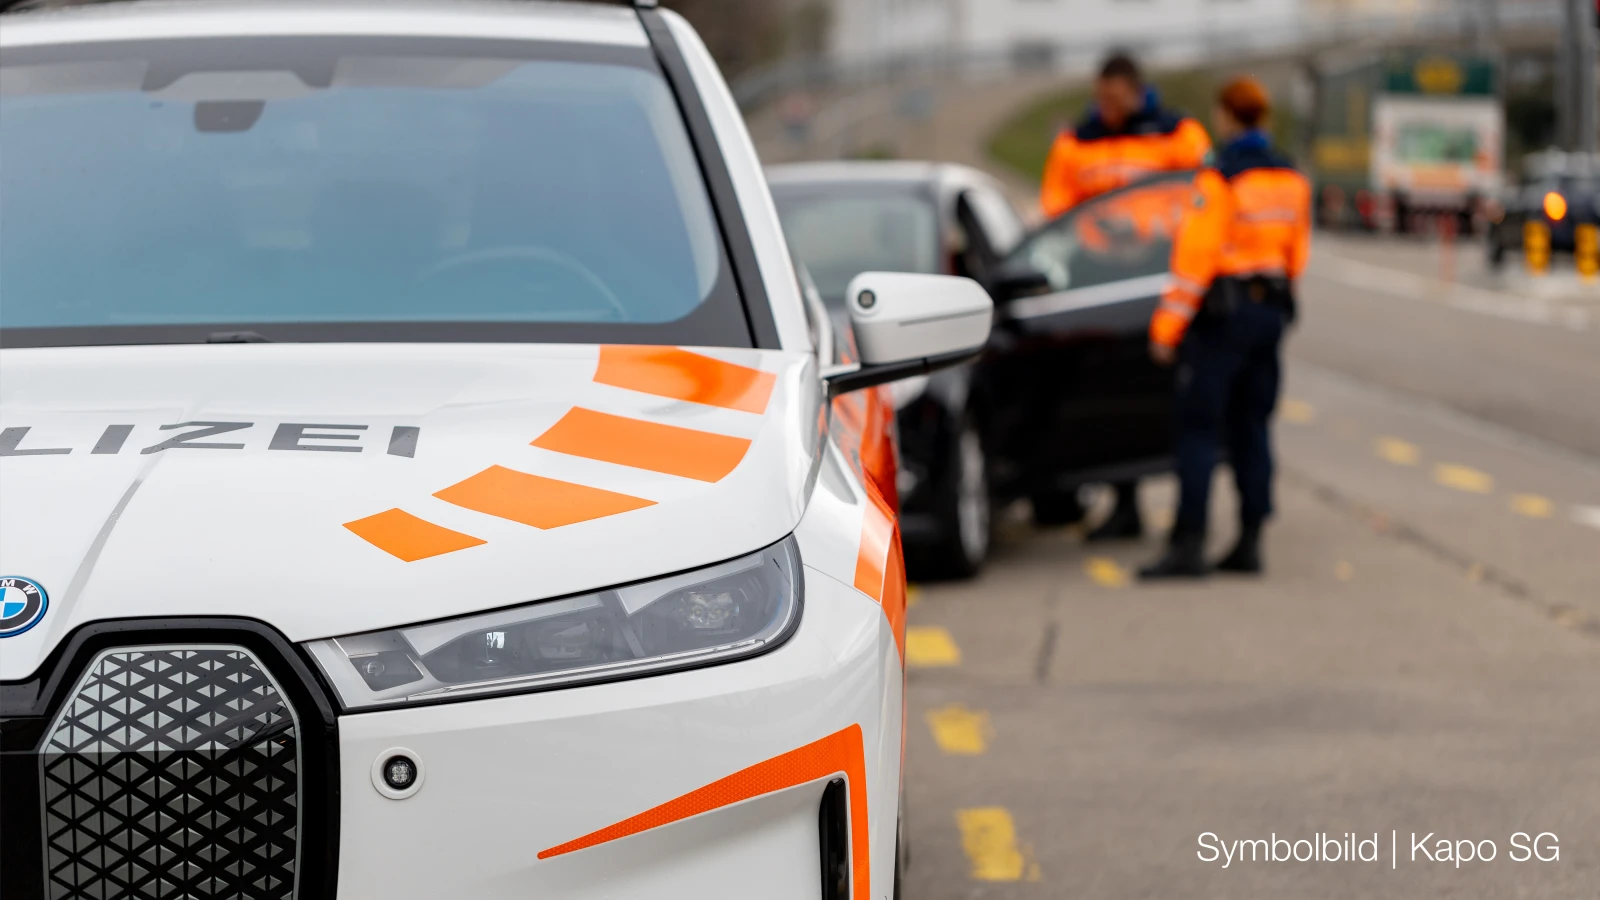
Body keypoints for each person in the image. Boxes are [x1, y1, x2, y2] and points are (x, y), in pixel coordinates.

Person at [1138, 77, 1312, 579]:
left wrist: (1167, 331)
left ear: (1228, 117)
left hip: (1222, 320)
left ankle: (1189, 543)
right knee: (1253, 428)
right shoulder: (1290, 177)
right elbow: (1296, 252)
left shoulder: (1220, 179)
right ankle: (1251, 539)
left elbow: (1195, 259)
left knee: (1197, 430)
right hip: (1269, 315)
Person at [1039, 52, 1211, 541]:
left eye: (1113, 99)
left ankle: (1187, 512)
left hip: (1160, 279)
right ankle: (1124, 502)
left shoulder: (1178, 133)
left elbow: (1205, 195)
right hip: (1100, 281)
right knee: (1114, 395)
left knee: (1174, 396)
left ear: (1135, 90)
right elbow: (1055, 209)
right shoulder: (1078, 141)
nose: (1106, 108)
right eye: (1100, 98)